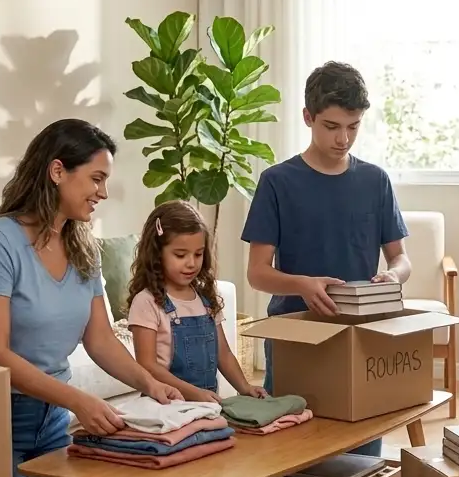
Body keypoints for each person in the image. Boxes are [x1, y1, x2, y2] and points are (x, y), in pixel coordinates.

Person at [0, 118, 183, 477]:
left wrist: (150, 383)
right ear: (57, 171)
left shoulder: (82, 246)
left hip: (52, 420)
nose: (104, 192)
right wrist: (79, 401)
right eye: (96, 178)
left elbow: (99, 338)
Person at [242, 60, 411, 457]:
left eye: (353, 126)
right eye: (332, 127)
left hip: (361, 333)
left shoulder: (375, 181)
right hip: (294, 333)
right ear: (308, 117)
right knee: (296, 449)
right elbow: (257, 273)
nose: (343, 138)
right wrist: (301, 283)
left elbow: (400, 258)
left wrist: (394, 276)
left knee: (361, 458)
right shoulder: (277, 182)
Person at [128, 200, 268, 402]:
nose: (191, 263)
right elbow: (147, 366)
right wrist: (194, 394)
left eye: (198, 254)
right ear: (157, 253)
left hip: (206, 403)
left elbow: (224, 354)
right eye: (180, 255)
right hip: (164, 404)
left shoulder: (206, 299)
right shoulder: (147, 302)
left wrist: (245, 387)